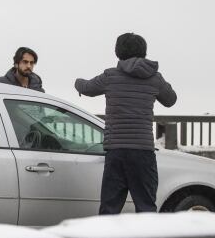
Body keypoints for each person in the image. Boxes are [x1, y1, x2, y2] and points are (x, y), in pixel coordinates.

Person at [74, 33, 177, 214]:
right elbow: (171, 100)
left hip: (117, 151)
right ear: (144, 51)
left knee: (110, 209)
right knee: (146, 207)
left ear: (118, 52)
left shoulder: (110, 76)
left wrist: (77, 82)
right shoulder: (155, 78)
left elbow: (87, 88)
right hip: (143, 151)